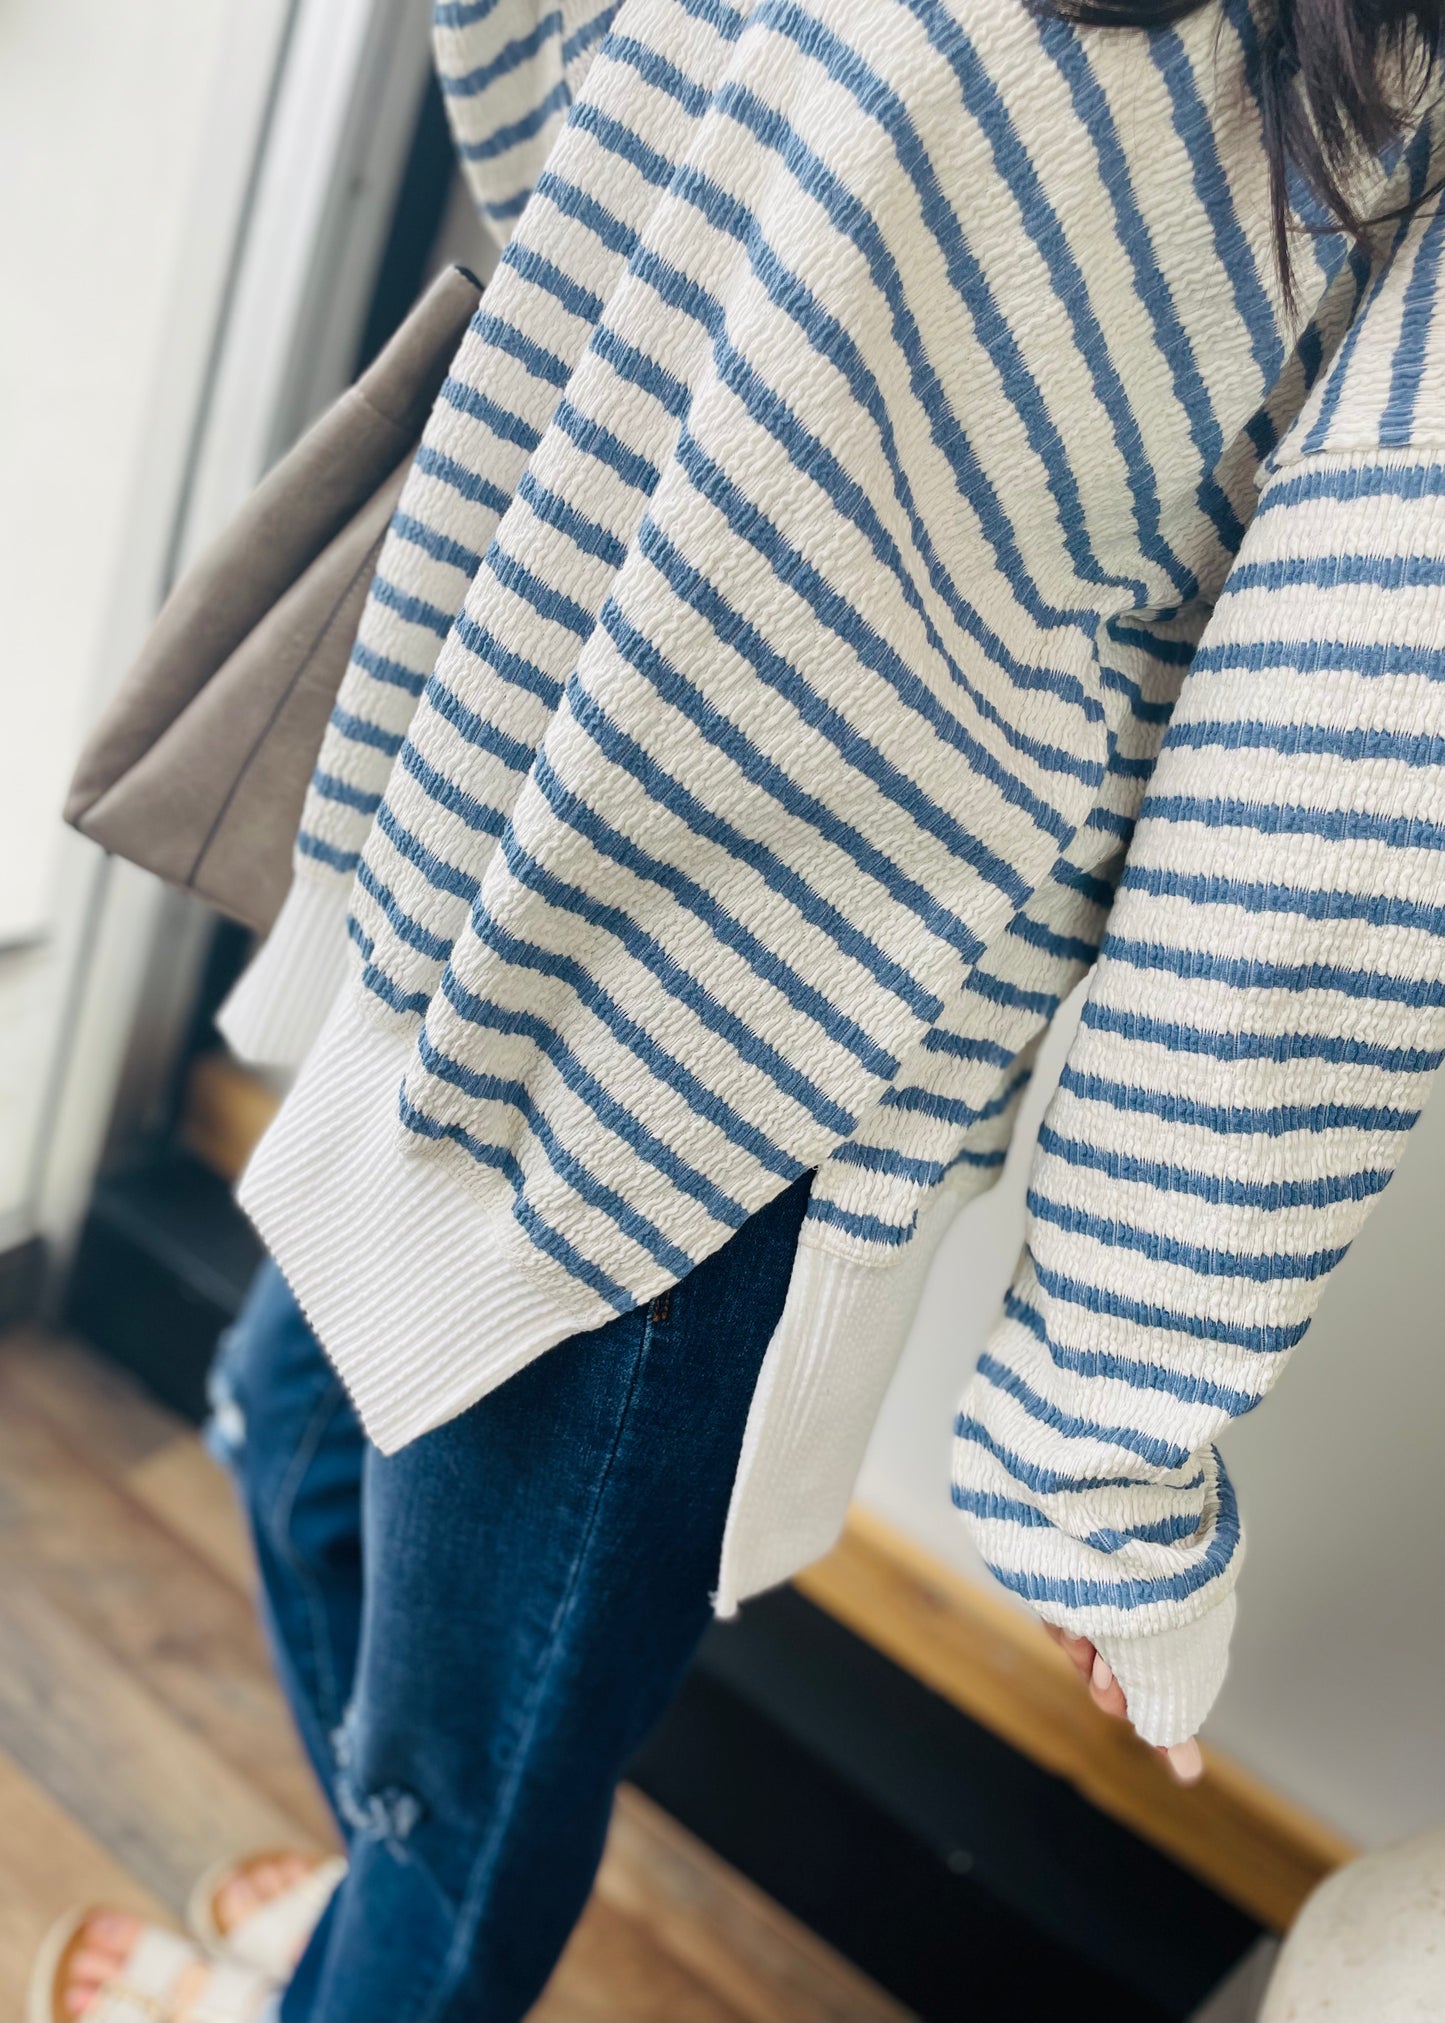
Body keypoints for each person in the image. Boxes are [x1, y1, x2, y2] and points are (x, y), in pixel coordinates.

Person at [37, 0, 1445, 2016]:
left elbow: (1344, 779)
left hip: (730, 1073)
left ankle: (374, 1966)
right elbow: (581, 106)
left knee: (467, 1784)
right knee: (290, 1448)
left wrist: (1105, 1443)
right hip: (485, 822)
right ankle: (378, 1941)